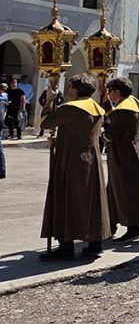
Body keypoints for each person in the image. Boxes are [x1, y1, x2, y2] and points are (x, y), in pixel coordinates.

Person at [39, 73, 110, 260]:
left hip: (71, 159)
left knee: (67, 199)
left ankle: (66, 245)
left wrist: (50, 100)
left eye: (70, 87)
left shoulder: (71, 108)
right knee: (91, 200)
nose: (69, 90)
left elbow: (45, 122)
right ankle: (95, 242)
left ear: (76, 89)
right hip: (92, 157)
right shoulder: (96, 107)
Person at [103, 77, 139, 242]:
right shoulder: (131, 104)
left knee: (125, 191)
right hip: (129, 152)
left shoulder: (123, 109)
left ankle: (133, 228)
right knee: (115, 190)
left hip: (123, 155)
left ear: (117, 92)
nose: (109, 95)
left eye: (110, 91)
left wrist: (102, 133)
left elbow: (112, 133)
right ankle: (111, 224)